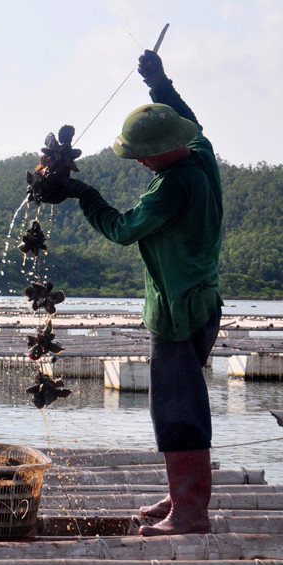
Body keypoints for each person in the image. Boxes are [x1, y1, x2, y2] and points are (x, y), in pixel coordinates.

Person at [41, 49, 224, 536]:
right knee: (182, 401)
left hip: (177, 312)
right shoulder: (201, 156)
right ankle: (180, 495)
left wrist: (83, 194)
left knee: (177, 408)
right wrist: (159, 84)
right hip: (204, 304)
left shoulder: (169, 189)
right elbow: (191, 120)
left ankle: (190, 512)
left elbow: (123, 230)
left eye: (143, 154)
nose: (139, 160)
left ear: (160, 151)